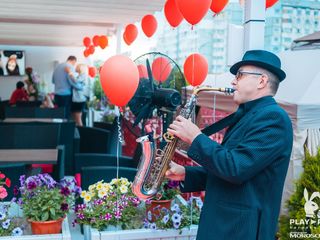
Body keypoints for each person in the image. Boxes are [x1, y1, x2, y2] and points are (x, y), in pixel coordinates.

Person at [165, 50, 293, 240]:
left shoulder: (274, 118)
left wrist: (196, 137)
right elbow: (230, 169)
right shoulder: (250, 114)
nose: (233, 82)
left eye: (240, 75)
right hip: (226, 226)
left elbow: (236, 168)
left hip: (241, 230)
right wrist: (186, 173)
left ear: (262, 81)